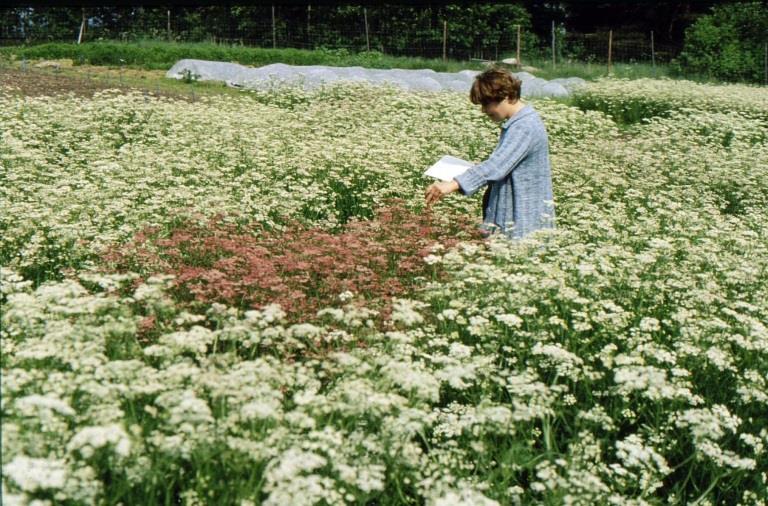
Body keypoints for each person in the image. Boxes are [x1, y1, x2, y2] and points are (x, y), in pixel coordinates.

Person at [424, 67, 555, 239]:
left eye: (487, 104)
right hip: (514, 214)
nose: (484, 110)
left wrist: (452, 184)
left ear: (507, 96)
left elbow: (497, 166)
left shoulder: (525, 126)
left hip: (522, 218)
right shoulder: (519, 123)